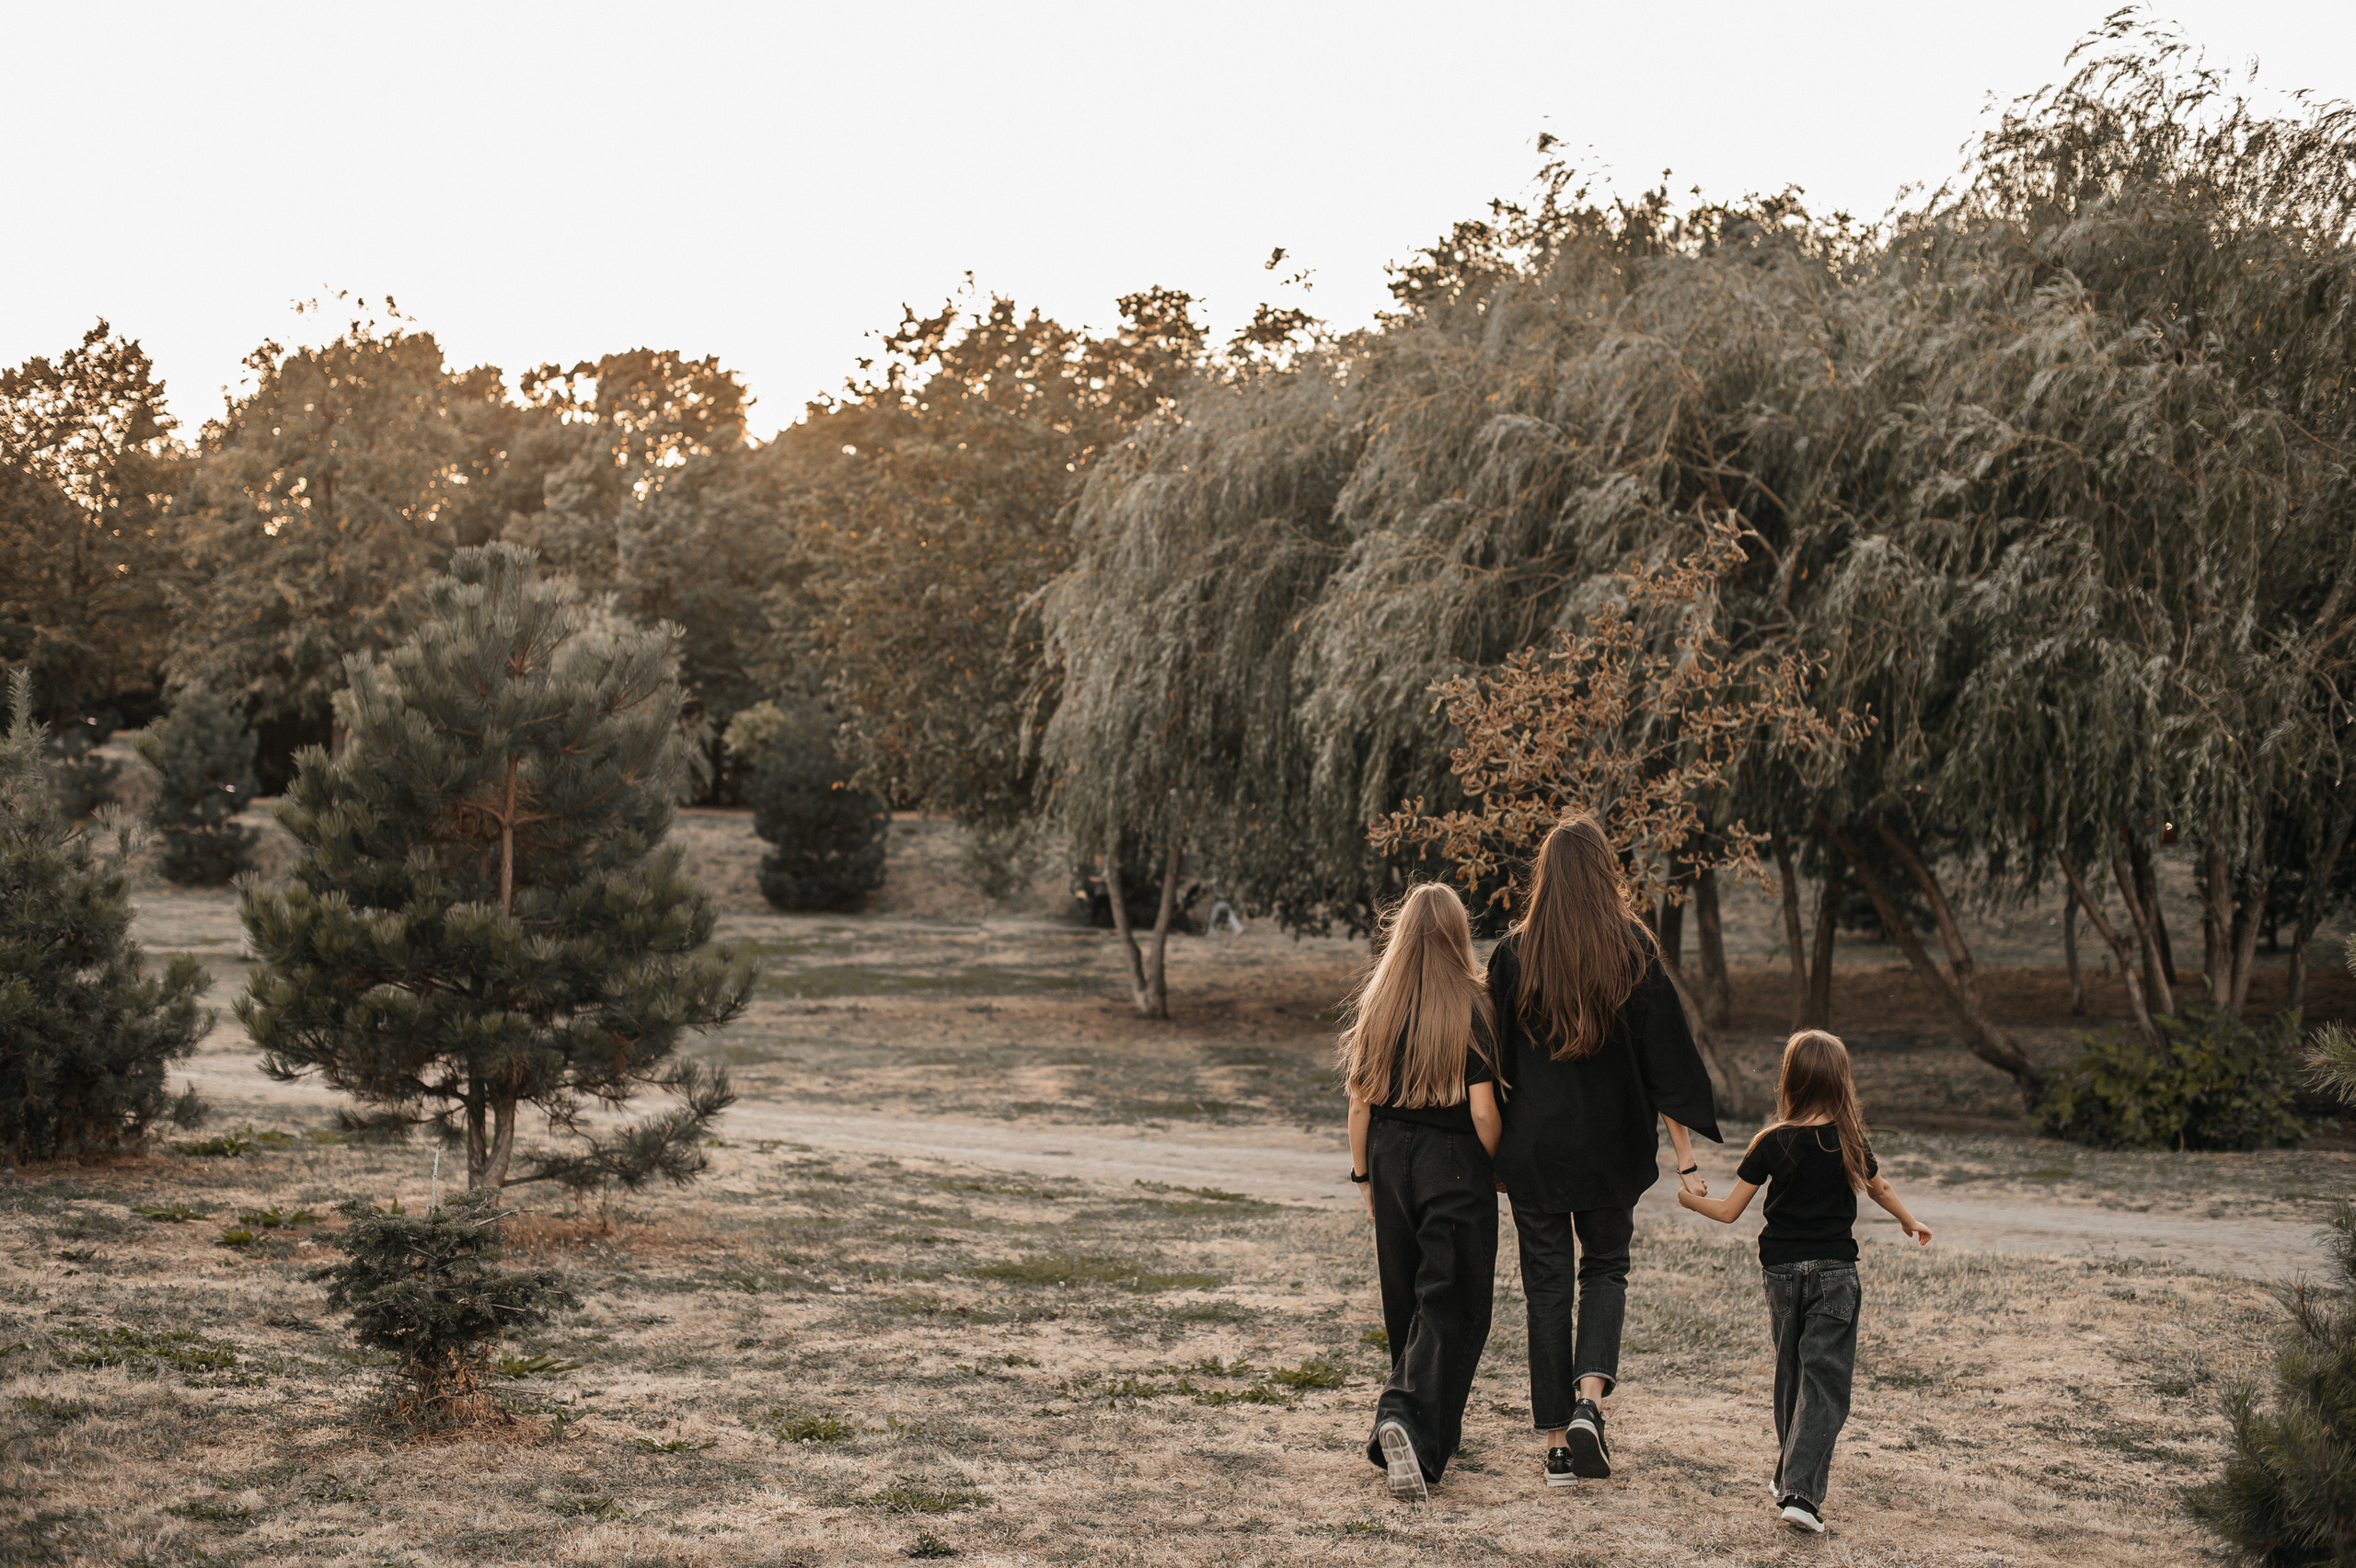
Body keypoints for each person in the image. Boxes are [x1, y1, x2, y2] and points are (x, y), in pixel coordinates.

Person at [1487, 816, 1721, 1488]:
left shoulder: (1513, 954)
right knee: (1606, 1271)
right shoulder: (1634, 949)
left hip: (1534, 1149)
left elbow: (1494, 1062)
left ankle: (1559, 1445)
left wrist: (1492, 1149)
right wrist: (1687, 1161)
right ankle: (1589, 1402)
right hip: (1611, 1149)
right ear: (1604, 873)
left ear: (1546, 877)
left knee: (1547, 1287)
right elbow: (1667, 1065)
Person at [1678, 1029, 1933, 1535]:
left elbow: (1729, 1211)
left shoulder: (1771, 1142)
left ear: (1790, 1078)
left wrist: (1688, 1199)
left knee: (1792, 1374)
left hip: (1781, 1277)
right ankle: (1801, 1495)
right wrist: (1909, 1219)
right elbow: (1878, 1186)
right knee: (1825, 1384)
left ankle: (1787, 1477)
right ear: (1841, 1081)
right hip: (1835, 1276)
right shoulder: (1847, 1140)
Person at [1341, 882, 1504, 1503]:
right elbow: (1484, 1113)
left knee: (1405, 1299)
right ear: (1459, 934)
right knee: (1453, 1300)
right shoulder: (1474, 1005)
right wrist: (1495, 1169)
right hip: (1453, 1160)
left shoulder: (1378, 1002)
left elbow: (1359, 1102)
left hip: (1388, 1153)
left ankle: (1423, 1445)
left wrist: (1364, 1176)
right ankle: (1403, 1417)